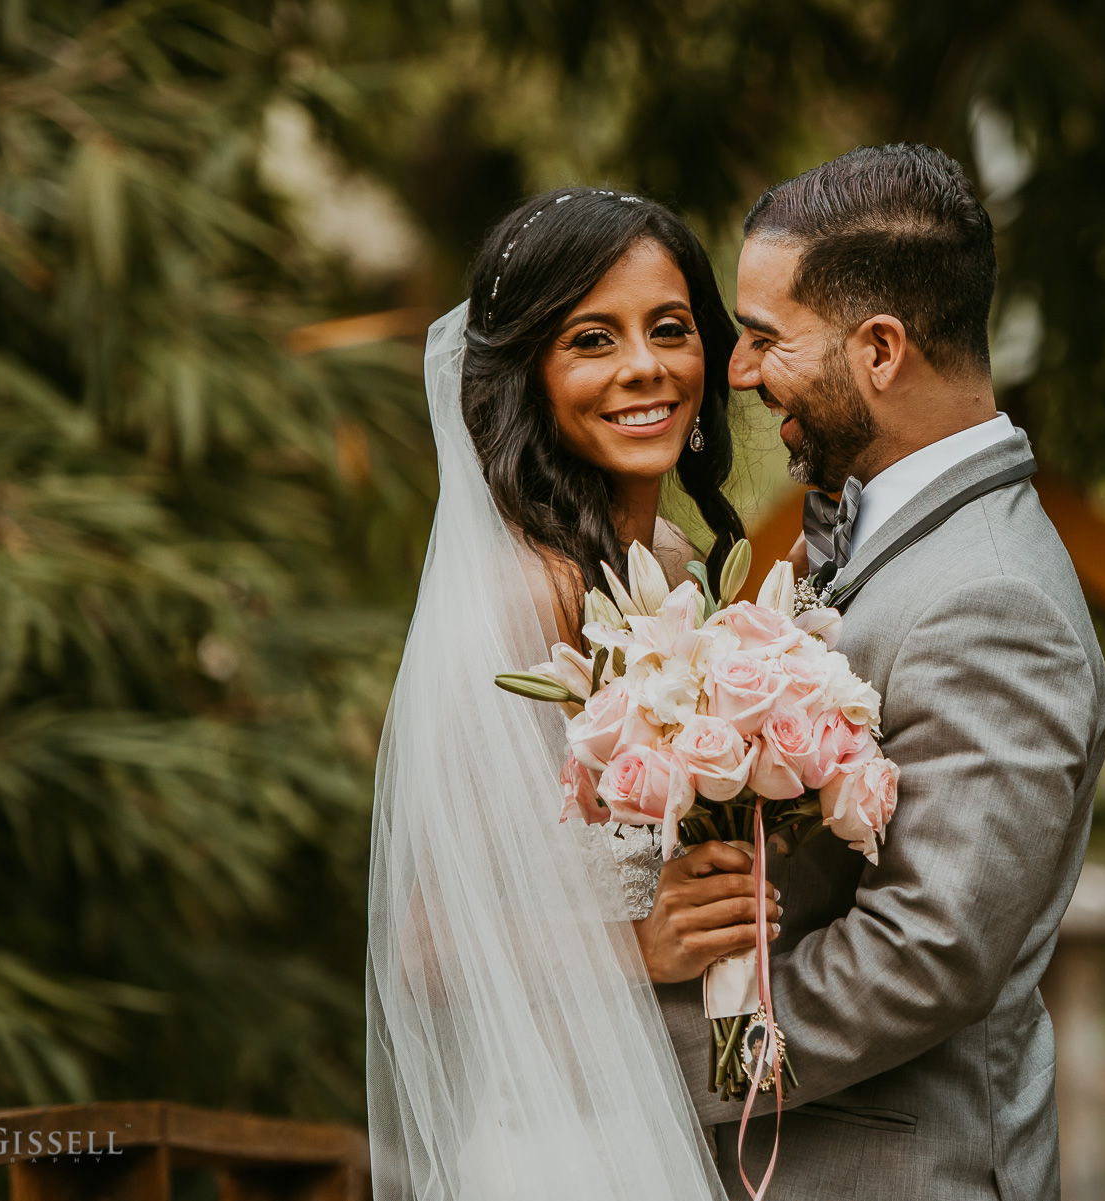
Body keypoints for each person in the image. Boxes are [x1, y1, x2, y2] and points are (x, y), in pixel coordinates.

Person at [641, 144, 1105, 1199]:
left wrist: (668, 1060)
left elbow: (925, 951)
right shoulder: (880, 532)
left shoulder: (996, 599)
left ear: (881, 350)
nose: (738, 372)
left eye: (766, 338)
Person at [365, 187, 773, 1200]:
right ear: (531, 376)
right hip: (564, 1143)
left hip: (672, 1116)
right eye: (594, 338)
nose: (645, 367)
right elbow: (425, 941)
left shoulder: (674, 565)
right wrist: (639, 946)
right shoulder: (521, 593)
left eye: (669, 329)